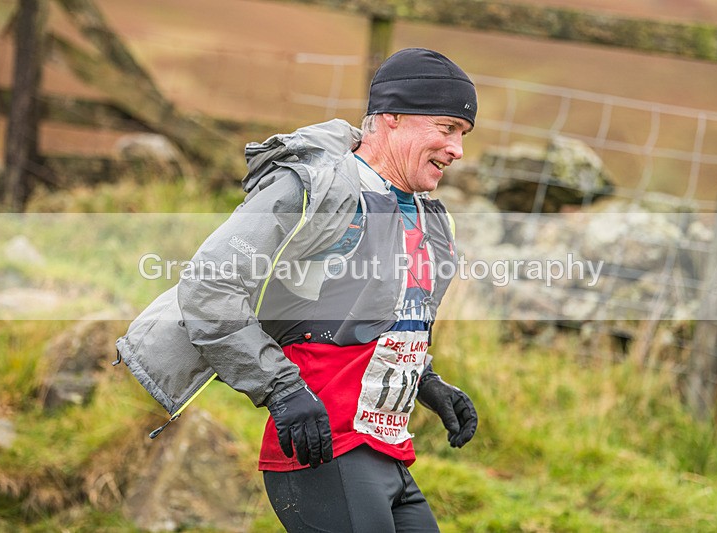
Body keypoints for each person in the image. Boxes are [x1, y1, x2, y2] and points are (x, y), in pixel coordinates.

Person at [116, 48, 478, 532]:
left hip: (385, 449)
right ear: (392, 118)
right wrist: (281, 390)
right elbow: (209, 285)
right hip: (323, 451)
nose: (458, 150)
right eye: (447, 128)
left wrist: (425, 380)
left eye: (463, 135)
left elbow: (371, 315)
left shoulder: (424, 211)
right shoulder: (312, 189)